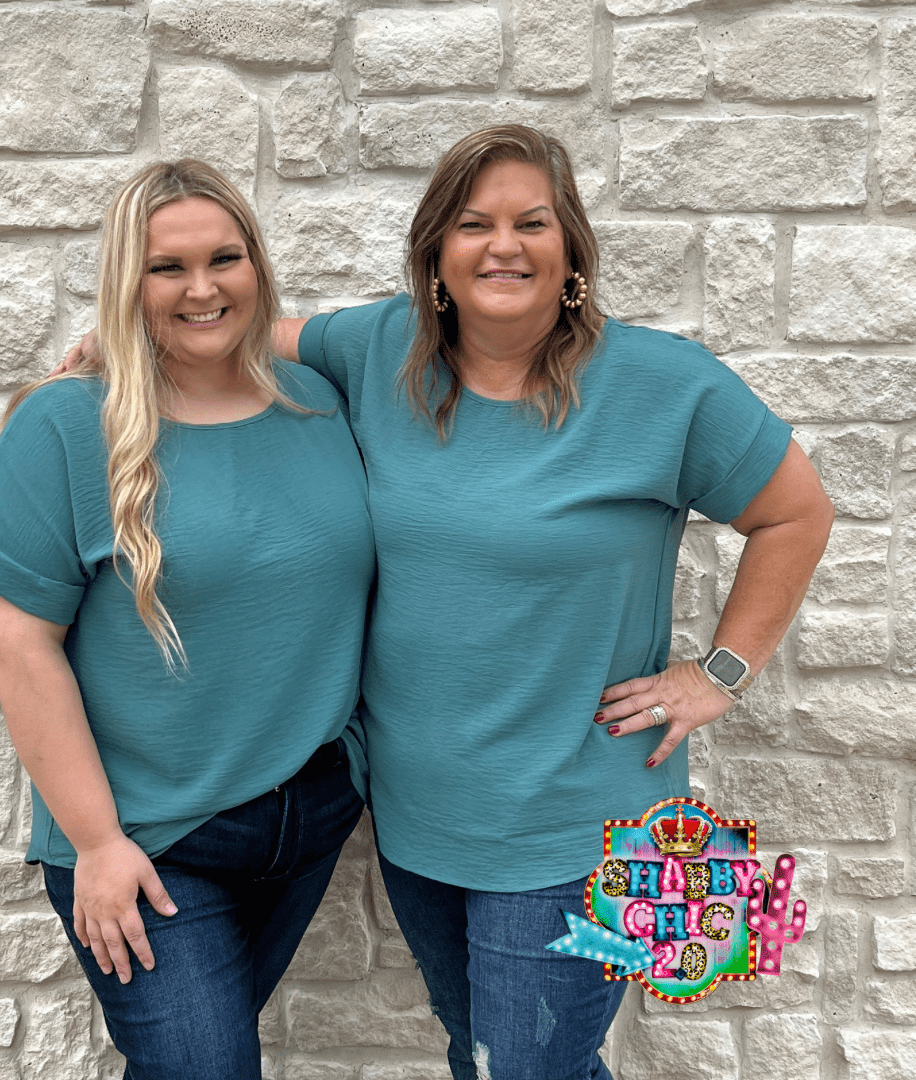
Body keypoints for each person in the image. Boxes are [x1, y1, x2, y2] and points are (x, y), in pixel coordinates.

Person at [64, 126, 833, 1079]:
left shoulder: (665, 383)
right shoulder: (385, 348)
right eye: (473, 224)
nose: (503, 246)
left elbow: (796, 512)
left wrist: (718, 673)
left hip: (578, 821)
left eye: (531, 223)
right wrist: (122, 342)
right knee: (485, 1060)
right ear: (435, 254)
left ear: (572, 248)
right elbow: (251, 333)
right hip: (420, 820)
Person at [0, 160, 375, 1080]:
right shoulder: (68, 425)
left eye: (225, 258)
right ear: (125, 281)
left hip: (311, 813)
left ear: (257, 264)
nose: (202, 288)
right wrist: (98, 845)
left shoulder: (322, 404)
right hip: (150, 838)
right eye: (166, 268)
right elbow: (13, 642)